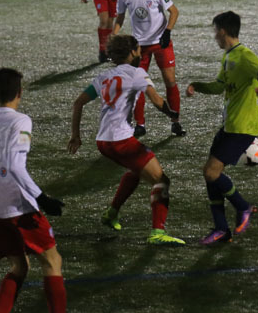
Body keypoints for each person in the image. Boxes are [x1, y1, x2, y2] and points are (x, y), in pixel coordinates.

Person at [0, 68, 91, 313]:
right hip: (16, 204)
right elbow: (14, 165)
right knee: (52, 260)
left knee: (19, 266)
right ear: (20, 93)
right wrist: (41, 197)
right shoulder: (20, 120)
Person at [68, 34, 185, 246]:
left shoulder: (104, 76)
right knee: (161, 180)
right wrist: (172, 114)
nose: (140, 52)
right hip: (121, 141)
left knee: (136, 171)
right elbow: (157, 100)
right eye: (138, 49)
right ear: (132, 52)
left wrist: (76, 136)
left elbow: (78, 103)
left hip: (103, 141)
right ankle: (157, 232)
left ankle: (112, 213)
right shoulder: (136, 73)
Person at [186, 11, 258, 245]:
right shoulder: (228, 57)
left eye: (215, 31)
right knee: (209, 174)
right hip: (230, 125)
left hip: (242, 127)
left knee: (211, 173)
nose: (214, 36)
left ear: (222, 31)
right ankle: (221, 230)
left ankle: (243, 206)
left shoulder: (245, 56)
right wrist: (197, 86)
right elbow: (219, 87)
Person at [114, 0, 184, 138]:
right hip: (138, 47)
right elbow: (120, 18)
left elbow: (174, 11)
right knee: (137, 86)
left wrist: (167, 32)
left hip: (161, 43)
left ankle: (176, 122)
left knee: (170, 81)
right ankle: (140, 125)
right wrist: (113, 35)